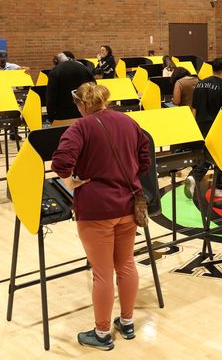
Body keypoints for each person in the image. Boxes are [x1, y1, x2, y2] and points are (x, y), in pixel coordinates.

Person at [52, 83, 150, 350]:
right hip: (128, 205)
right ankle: (127, 322)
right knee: (127, 265)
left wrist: (72, 182)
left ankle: (103, 333)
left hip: (96, 209)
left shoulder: (80, 127)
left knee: (102, 274)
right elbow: (145, 157)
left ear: (82, 105)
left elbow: (60, 163)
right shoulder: (127, 121)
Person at [184, 57, 222, 199]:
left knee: (208, 154)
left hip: (201, 125)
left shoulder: (200, 84)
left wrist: (193, 127)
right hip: (217, 127)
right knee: (219, 156)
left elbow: (194, 108)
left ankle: (194, 177)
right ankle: (219, 187)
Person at [46, 52, 95, 126]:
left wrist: (51, 118)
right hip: (84, 114)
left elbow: (51, 97)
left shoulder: (55, 71)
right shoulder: (84, 68)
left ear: (56, 62)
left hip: (62, 116)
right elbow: (94, 90)